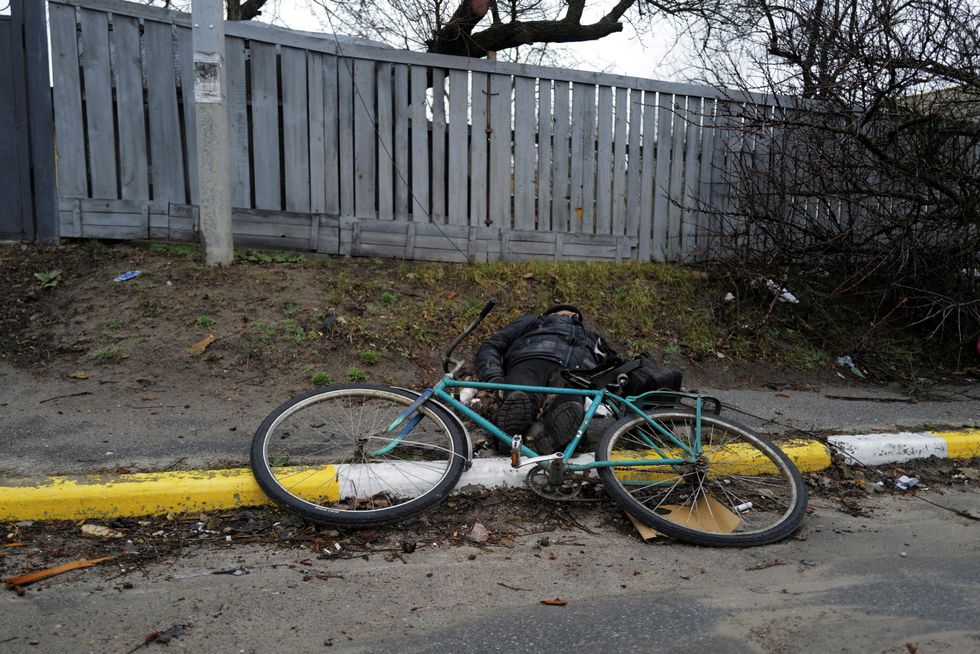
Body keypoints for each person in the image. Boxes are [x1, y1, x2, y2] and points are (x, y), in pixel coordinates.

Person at [475, 305, 615, 453]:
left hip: (575, 374)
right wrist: (493, 375)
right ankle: (510, 433)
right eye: (565, 313)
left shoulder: (594, 336)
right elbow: (492, 345)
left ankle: (553, 438)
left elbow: (614, 368)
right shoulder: (533, 321)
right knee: (522, 394)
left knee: (569, 405)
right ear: (552, 313)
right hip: (533, 359)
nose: (570, 315)